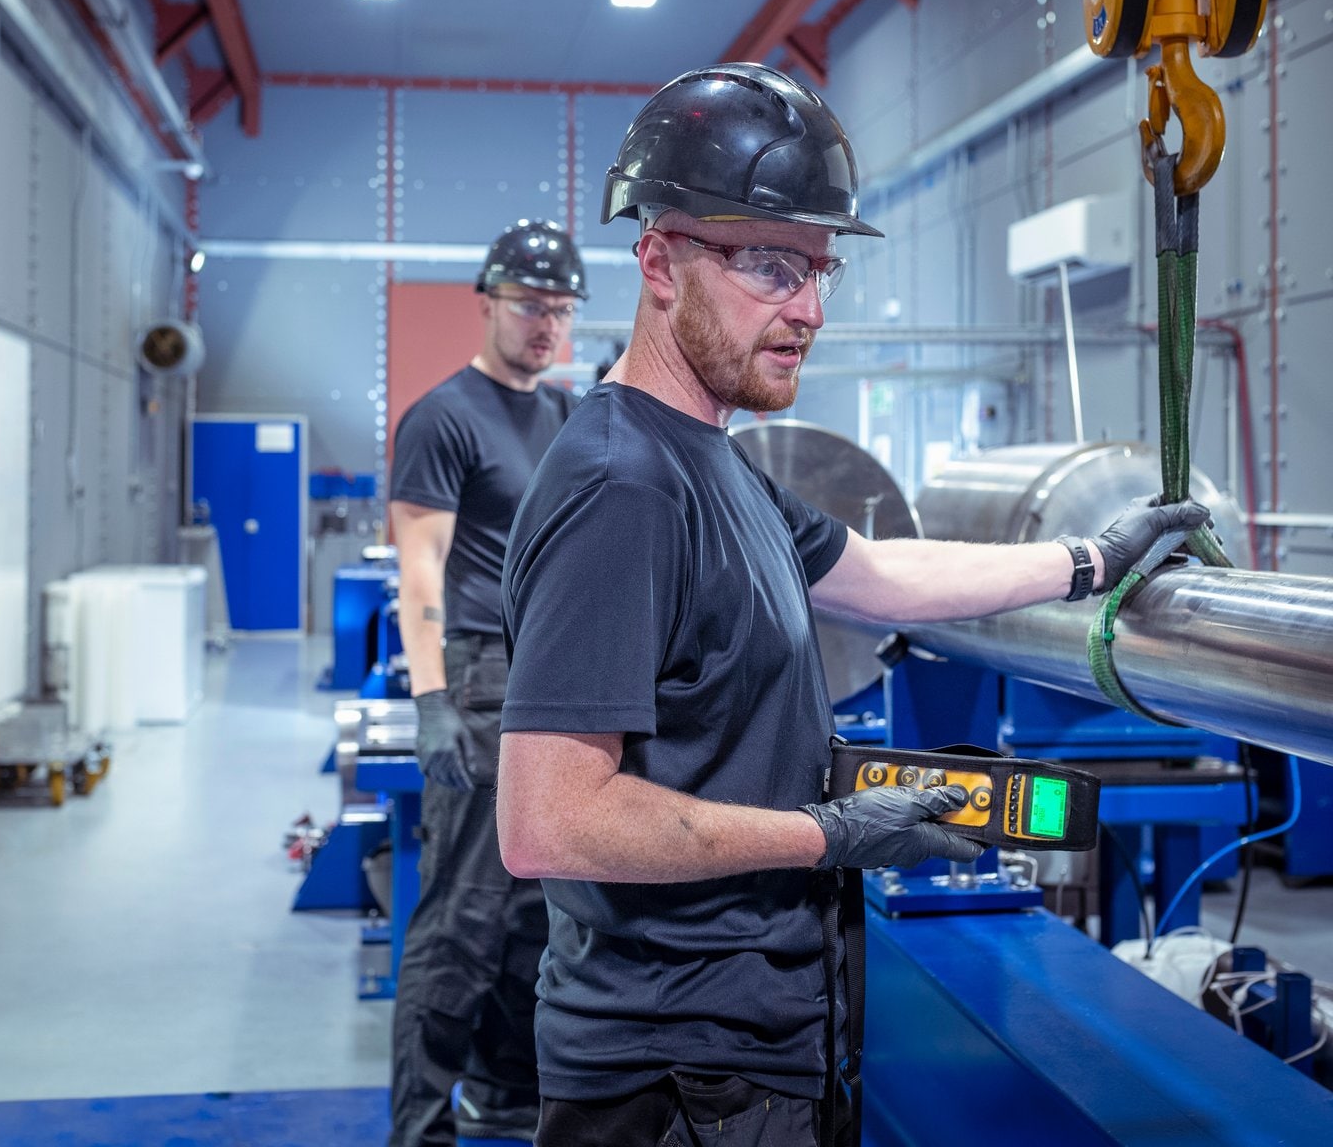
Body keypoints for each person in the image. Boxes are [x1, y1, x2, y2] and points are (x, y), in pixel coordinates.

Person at [495, 64, 1210, 1147]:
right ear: (657, 260)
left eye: (819, 270)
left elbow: (880, 578)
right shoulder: (622, 483)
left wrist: (1088, 560)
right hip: (670, 1075)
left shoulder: (714, 464)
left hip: (751, 1046)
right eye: (771, 266)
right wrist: (825, 833)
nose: (809, 310)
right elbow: (550, 819)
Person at [387, 219, 588, 1146]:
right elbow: (420, 571)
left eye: (559, 308)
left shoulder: (558, 414)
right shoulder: (443, 416)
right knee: (461, 919)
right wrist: (432, 702)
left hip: (548, 674)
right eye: (529, 305)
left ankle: (504, 1091)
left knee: (530, 906)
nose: (545, 324)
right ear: (489, 302)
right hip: (475, 674)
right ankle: (421, 1127)